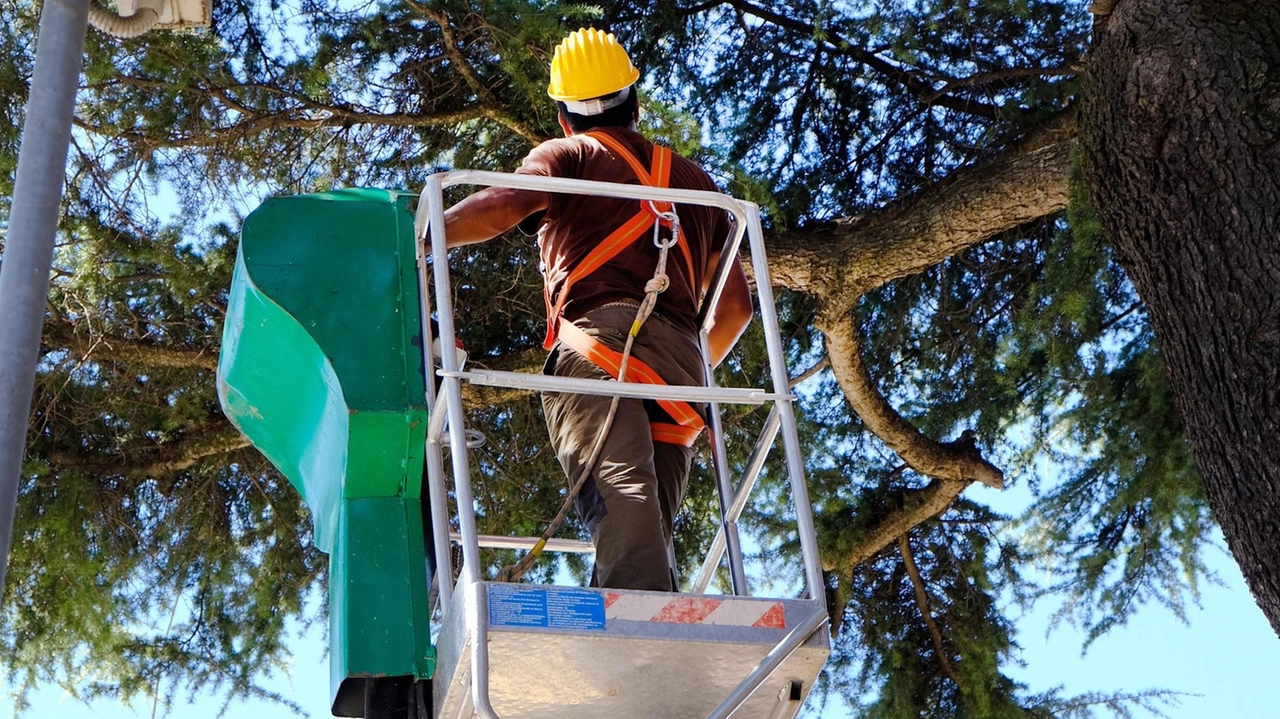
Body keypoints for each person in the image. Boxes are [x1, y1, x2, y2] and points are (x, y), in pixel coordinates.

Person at [441, 28, 752, 592]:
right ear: (634, 104)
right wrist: (682, 366)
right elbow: (734, 309)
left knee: (624, 503)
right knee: (647, 523)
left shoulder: (570, 154)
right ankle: (637, 617)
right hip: (682, 369)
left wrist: (423, 234)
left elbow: (504, 203)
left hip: (599, 346)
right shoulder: (697, 185)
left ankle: (643, 637)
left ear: (564, 116)